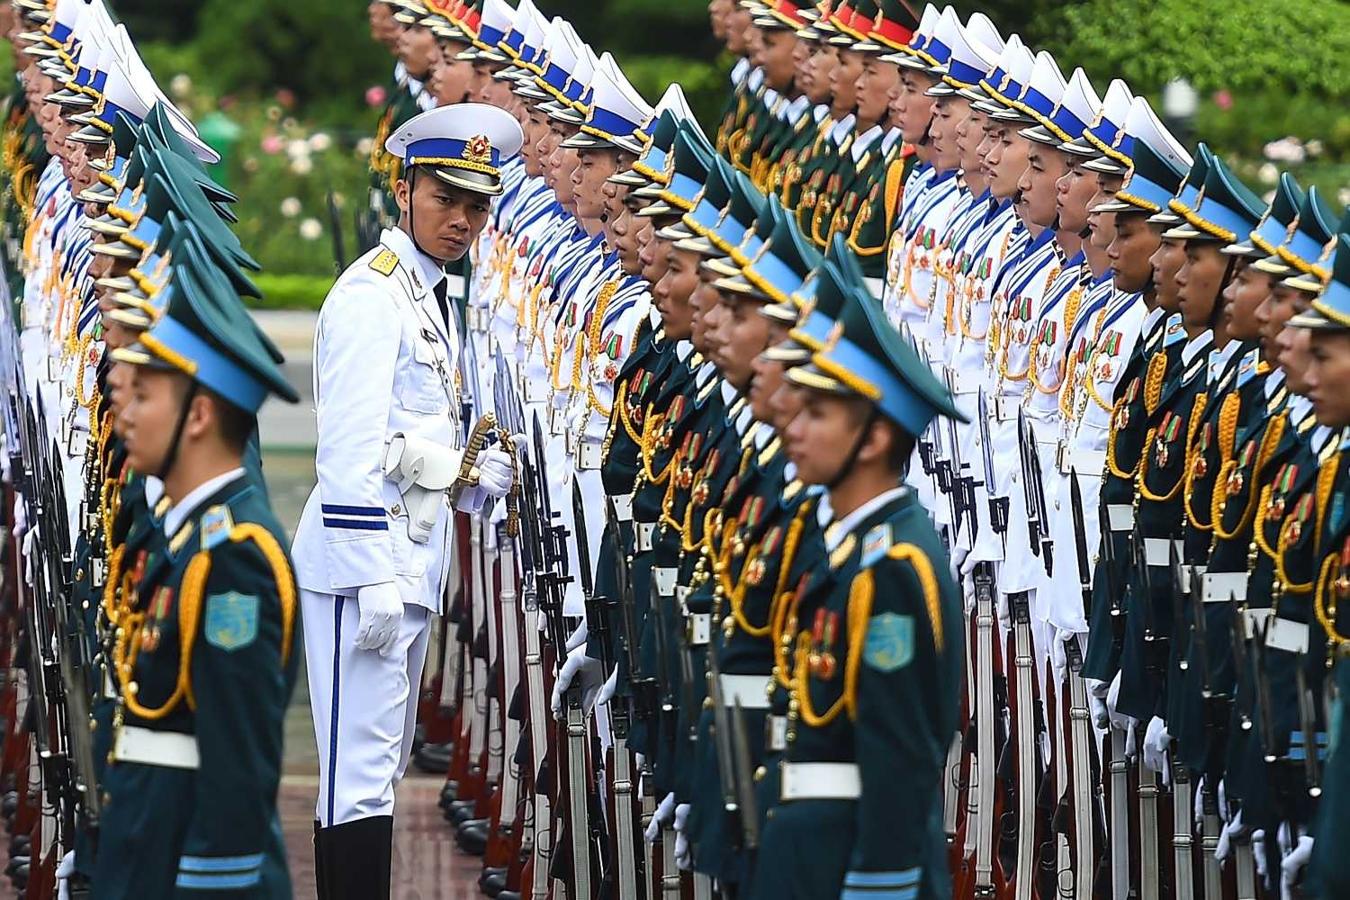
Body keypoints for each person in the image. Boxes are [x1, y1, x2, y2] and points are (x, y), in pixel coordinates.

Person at [290, 103, 522, 897]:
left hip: (407, 561)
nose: (461, 220)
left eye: (475, 204)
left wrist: (463, 477)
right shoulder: (372, 296)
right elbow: (346, 451)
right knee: (352, 777)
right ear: (402, 189)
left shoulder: (428, 296)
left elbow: (403, 438)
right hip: (367, 572)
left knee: (375, 768)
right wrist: (371, 576)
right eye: (445, 197)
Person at [751, 258, 964, 899]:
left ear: (872, 438)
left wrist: (881, 887)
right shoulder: (856, 551)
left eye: (816, 413)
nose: (792, 425)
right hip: (809, 848)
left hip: (851, 862)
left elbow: (897, 756)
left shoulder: (892, 570)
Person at [98, 246, 302, 898]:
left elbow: (237, 772)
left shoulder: (233, 557)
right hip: (144, 844)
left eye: (144, 393)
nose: (121, 410)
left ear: (202, 414)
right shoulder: (190, 537)